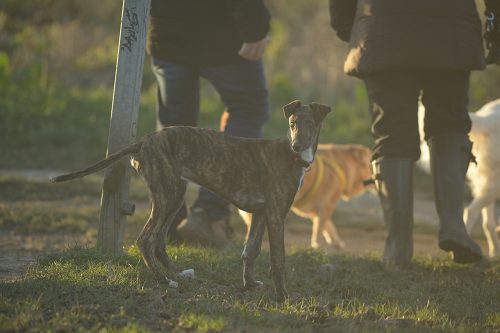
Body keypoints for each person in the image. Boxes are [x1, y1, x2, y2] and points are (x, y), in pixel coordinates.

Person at [329, 0, 500, 267]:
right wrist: (494, 25)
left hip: (384, 27)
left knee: (391, 134)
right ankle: (454, 226)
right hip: (450, 31)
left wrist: (347, 24)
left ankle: (398, 245)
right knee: (450, 124)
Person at [147, 0, 271, 247]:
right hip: (223, 36)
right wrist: (255, 29)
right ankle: (209, 214)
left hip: (167, 33)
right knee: (248, 110)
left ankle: (167, 224)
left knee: (173, 129)